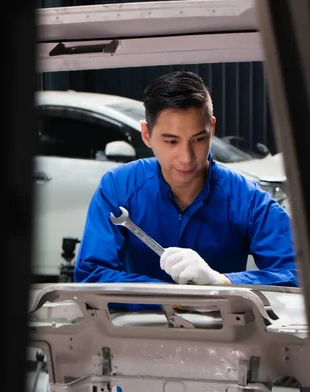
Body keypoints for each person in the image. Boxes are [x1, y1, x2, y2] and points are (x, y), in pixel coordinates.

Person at [74, 71, 298, 287]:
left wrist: (220, 282)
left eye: (199, 139)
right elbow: (91, 274)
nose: (187, 158)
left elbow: (298, 273)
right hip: (136, 325)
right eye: (171, 141)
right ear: (146, 135)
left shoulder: (247, 199)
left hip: (223, 325)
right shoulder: (118, 187)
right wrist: (173, 298)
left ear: (212, 128)